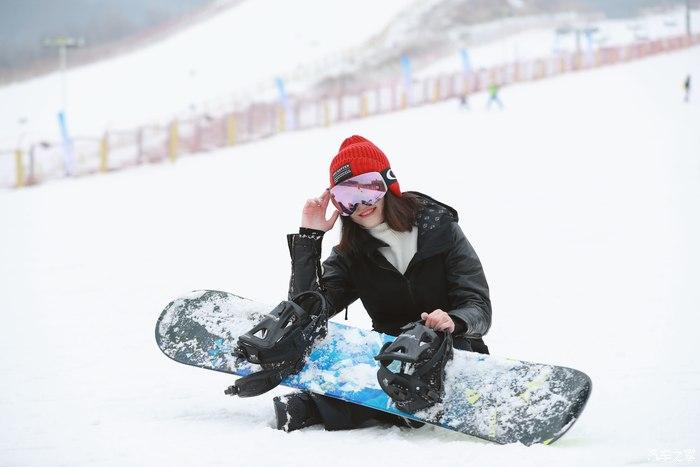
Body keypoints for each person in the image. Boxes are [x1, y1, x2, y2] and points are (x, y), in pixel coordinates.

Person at [274, 135, 492, 432]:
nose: (361, 205)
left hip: (454, 348)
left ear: (388, 184)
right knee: (378, 367)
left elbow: (478, 306)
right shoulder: (352, 254)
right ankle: (371, 405)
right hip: (390, 359)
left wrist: (454, 320)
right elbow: (306, 313)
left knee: (422, 361)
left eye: (368, 189)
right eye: (348, 198)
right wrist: (309, 238)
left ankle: (333, 407)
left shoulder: (440, 230)